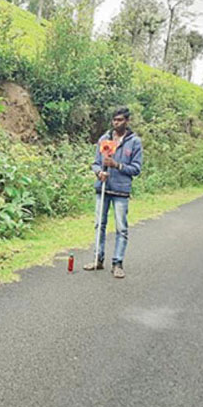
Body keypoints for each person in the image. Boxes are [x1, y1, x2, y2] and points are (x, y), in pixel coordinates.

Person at [84, 107, 143, 278]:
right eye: (114, 120)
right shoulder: (104, 139)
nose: (116, 123)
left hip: (121, 191)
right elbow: (95, 163)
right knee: (99, 225)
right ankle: (98, 259)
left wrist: (117, 165)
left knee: (121, 228)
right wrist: (99, 172)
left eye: (120, 120)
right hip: (103, 187)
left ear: (127, 121)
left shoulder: (134, 142)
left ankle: (117, 263)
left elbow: (136, 169)